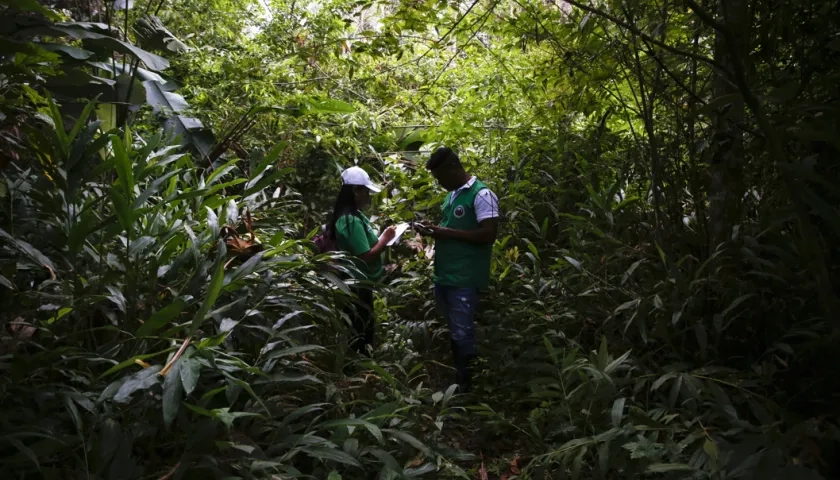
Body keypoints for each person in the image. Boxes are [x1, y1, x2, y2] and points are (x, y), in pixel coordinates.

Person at [419, 147, 500, 391]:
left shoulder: (482, 194)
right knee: (456, 329)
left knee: (462, 332)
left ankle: (468, 386)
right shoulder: (451, 196)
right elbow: (451, 229)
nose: (439, 182)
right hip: (446, 275)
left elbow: (489, 234)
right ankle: (461, 379)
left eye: (440, 176)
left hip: (465, 276)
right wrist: (433, 229)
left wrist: (444, 232)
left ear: (453, 167)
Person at [328, 166, 396, 356]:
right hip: (355, 284)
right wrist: (386, 238)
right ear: (355, 192)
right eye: (365, 191)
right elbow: (365, 254)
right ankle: (357, 369)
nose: (368, 195)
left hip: (360, 281)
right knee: (360, 330)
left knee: (363, 326)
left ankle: (360, 370)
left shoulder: (355, 216)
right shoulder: (349, 220)